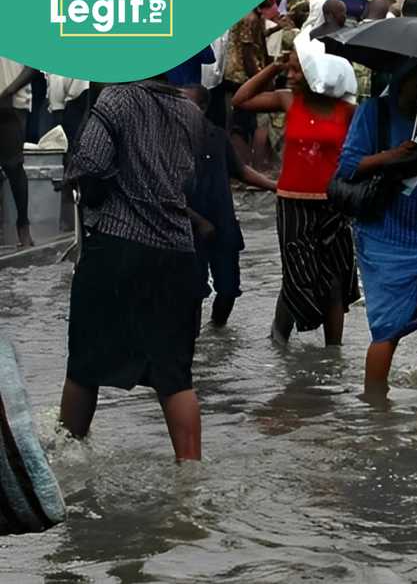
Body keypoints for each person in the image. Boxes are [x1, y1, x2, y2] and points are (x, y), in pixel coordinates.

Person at [61, 76, 208, 461]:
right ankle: (190, 473)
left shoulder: (116, 99)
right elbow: (189, 178)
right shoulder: (191, 110)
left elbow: (90, 165)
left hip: (116, 248)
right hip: (176, 252)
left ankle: (66, 457)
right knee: (175, 376)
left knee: (84, 364)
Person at [336, 61, 417, 397]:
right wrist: (391, 155)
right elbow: (348, 166)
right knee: (387, 330)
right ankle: (376, 408)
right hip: (383, 235)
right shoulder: (374, 113)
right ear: (402, 80)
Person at [233, 44, 361, 347]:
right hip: (292, 201)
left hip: (333, 202)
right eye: (288, 69)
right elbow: (241, 100)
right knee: (296, 273)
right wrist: (273, 68)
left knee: (334, 278)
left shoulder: (349, 111)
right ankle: (279, 339)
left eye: (296, 70)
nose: (290, 75)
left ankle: (333, 352)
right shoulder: (289, 101)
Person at [180, 85, 276, 329]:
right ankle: (193, 344)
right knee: (192, 291)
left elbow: (241, 170)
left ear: (202, 108)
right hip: (187, 225)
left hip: (223, 222)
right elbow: (166, 190)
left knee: (229, 289)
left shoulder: (217, 136)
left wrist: (275, 186)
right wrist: (198, 221)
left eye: (186, 103)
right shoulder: (170, 138)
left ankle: (217, 333)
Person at [223, 0, 270, 169]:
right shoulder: (250, 18)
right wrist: (260, 78)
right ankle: (244, 168)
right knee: (243, 124)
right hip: (241, 77)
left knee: (242, 123)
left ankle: (243, 168)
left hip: (235, 75)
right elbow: (247, 53)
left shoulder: (249, 15)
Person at [0, 59, 36, 248]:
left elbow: (33, 66)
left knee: (13, 165)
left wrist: (8, 92)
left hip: (12, 104)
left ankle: (23, 225)